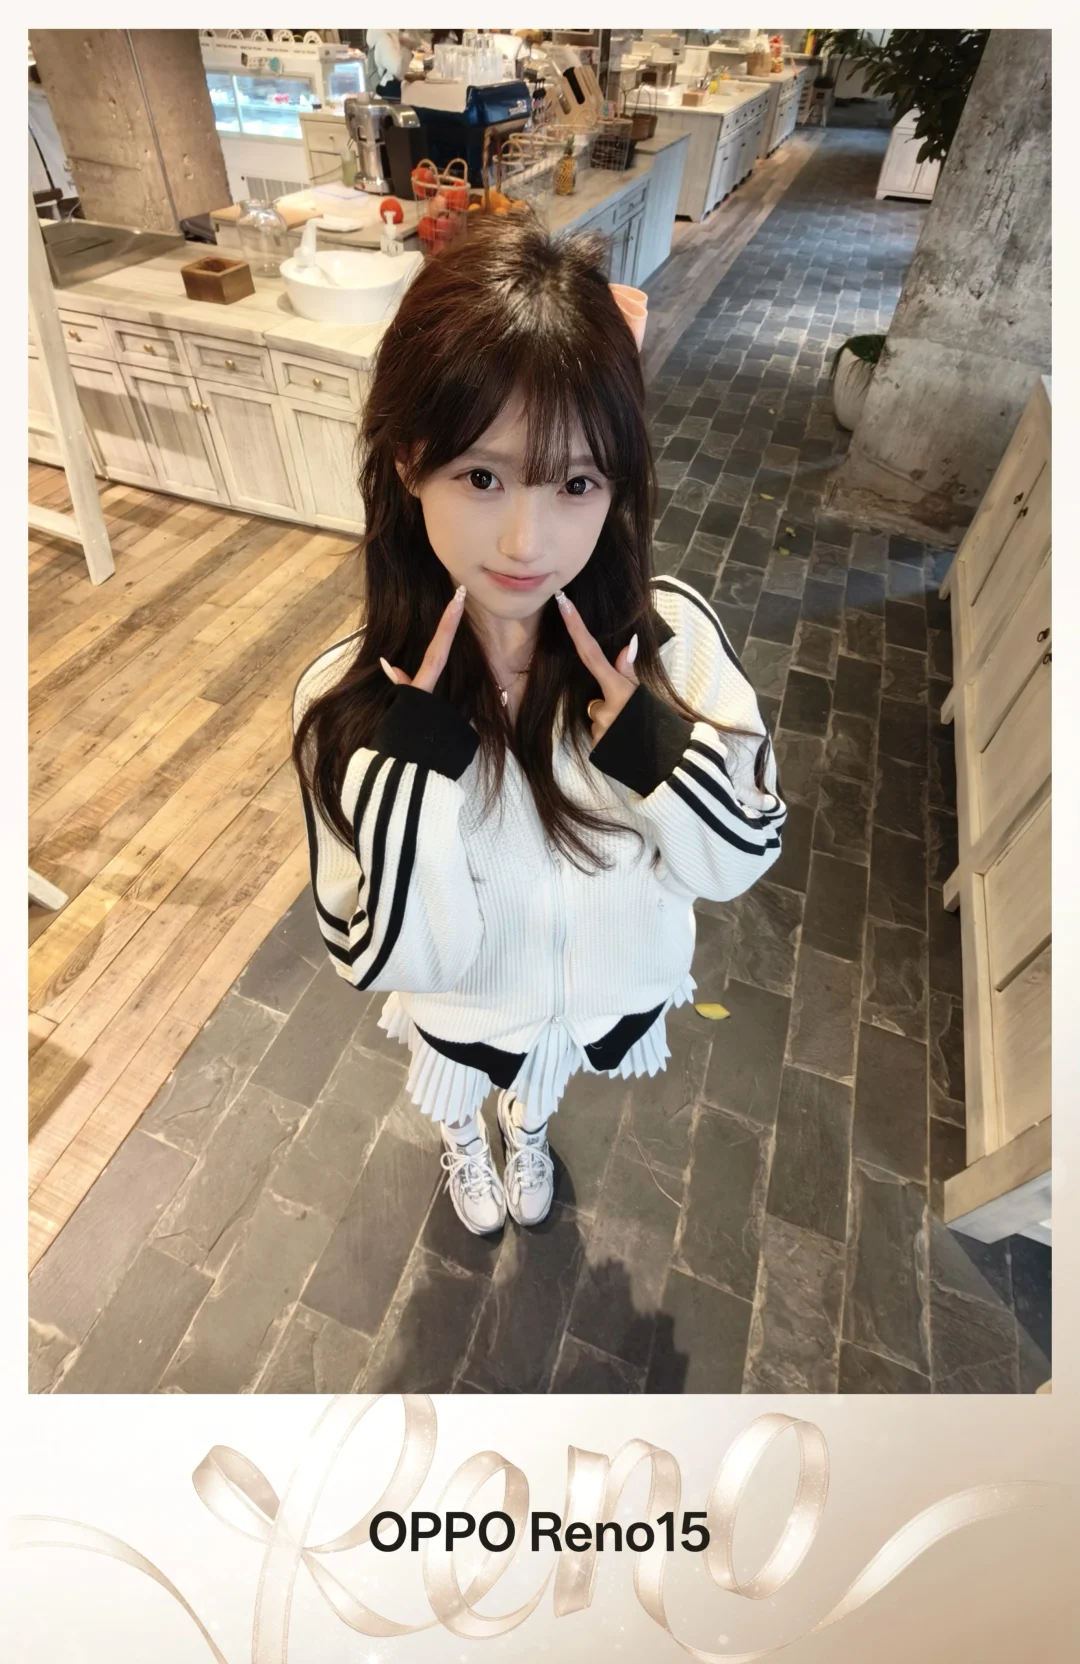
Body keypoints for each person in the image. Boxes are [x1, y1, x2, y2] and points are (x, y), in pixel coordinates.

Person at [291, 217, 786, 1240]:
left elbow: (740, 858)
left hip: (600, 1005)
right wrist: (416, 769)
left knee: (538, 1086)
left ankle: (528, 1128)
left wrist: (647, 744)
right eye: (482, 477)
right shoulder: (347, 699)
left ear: (615, 485)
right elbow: (374, 950)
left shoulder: (674, 641)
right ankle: (463, 1135)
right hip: (463, 1014)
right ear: (409, 462)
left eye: (575, 483)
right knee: (458, 1079)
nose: (527, 541)